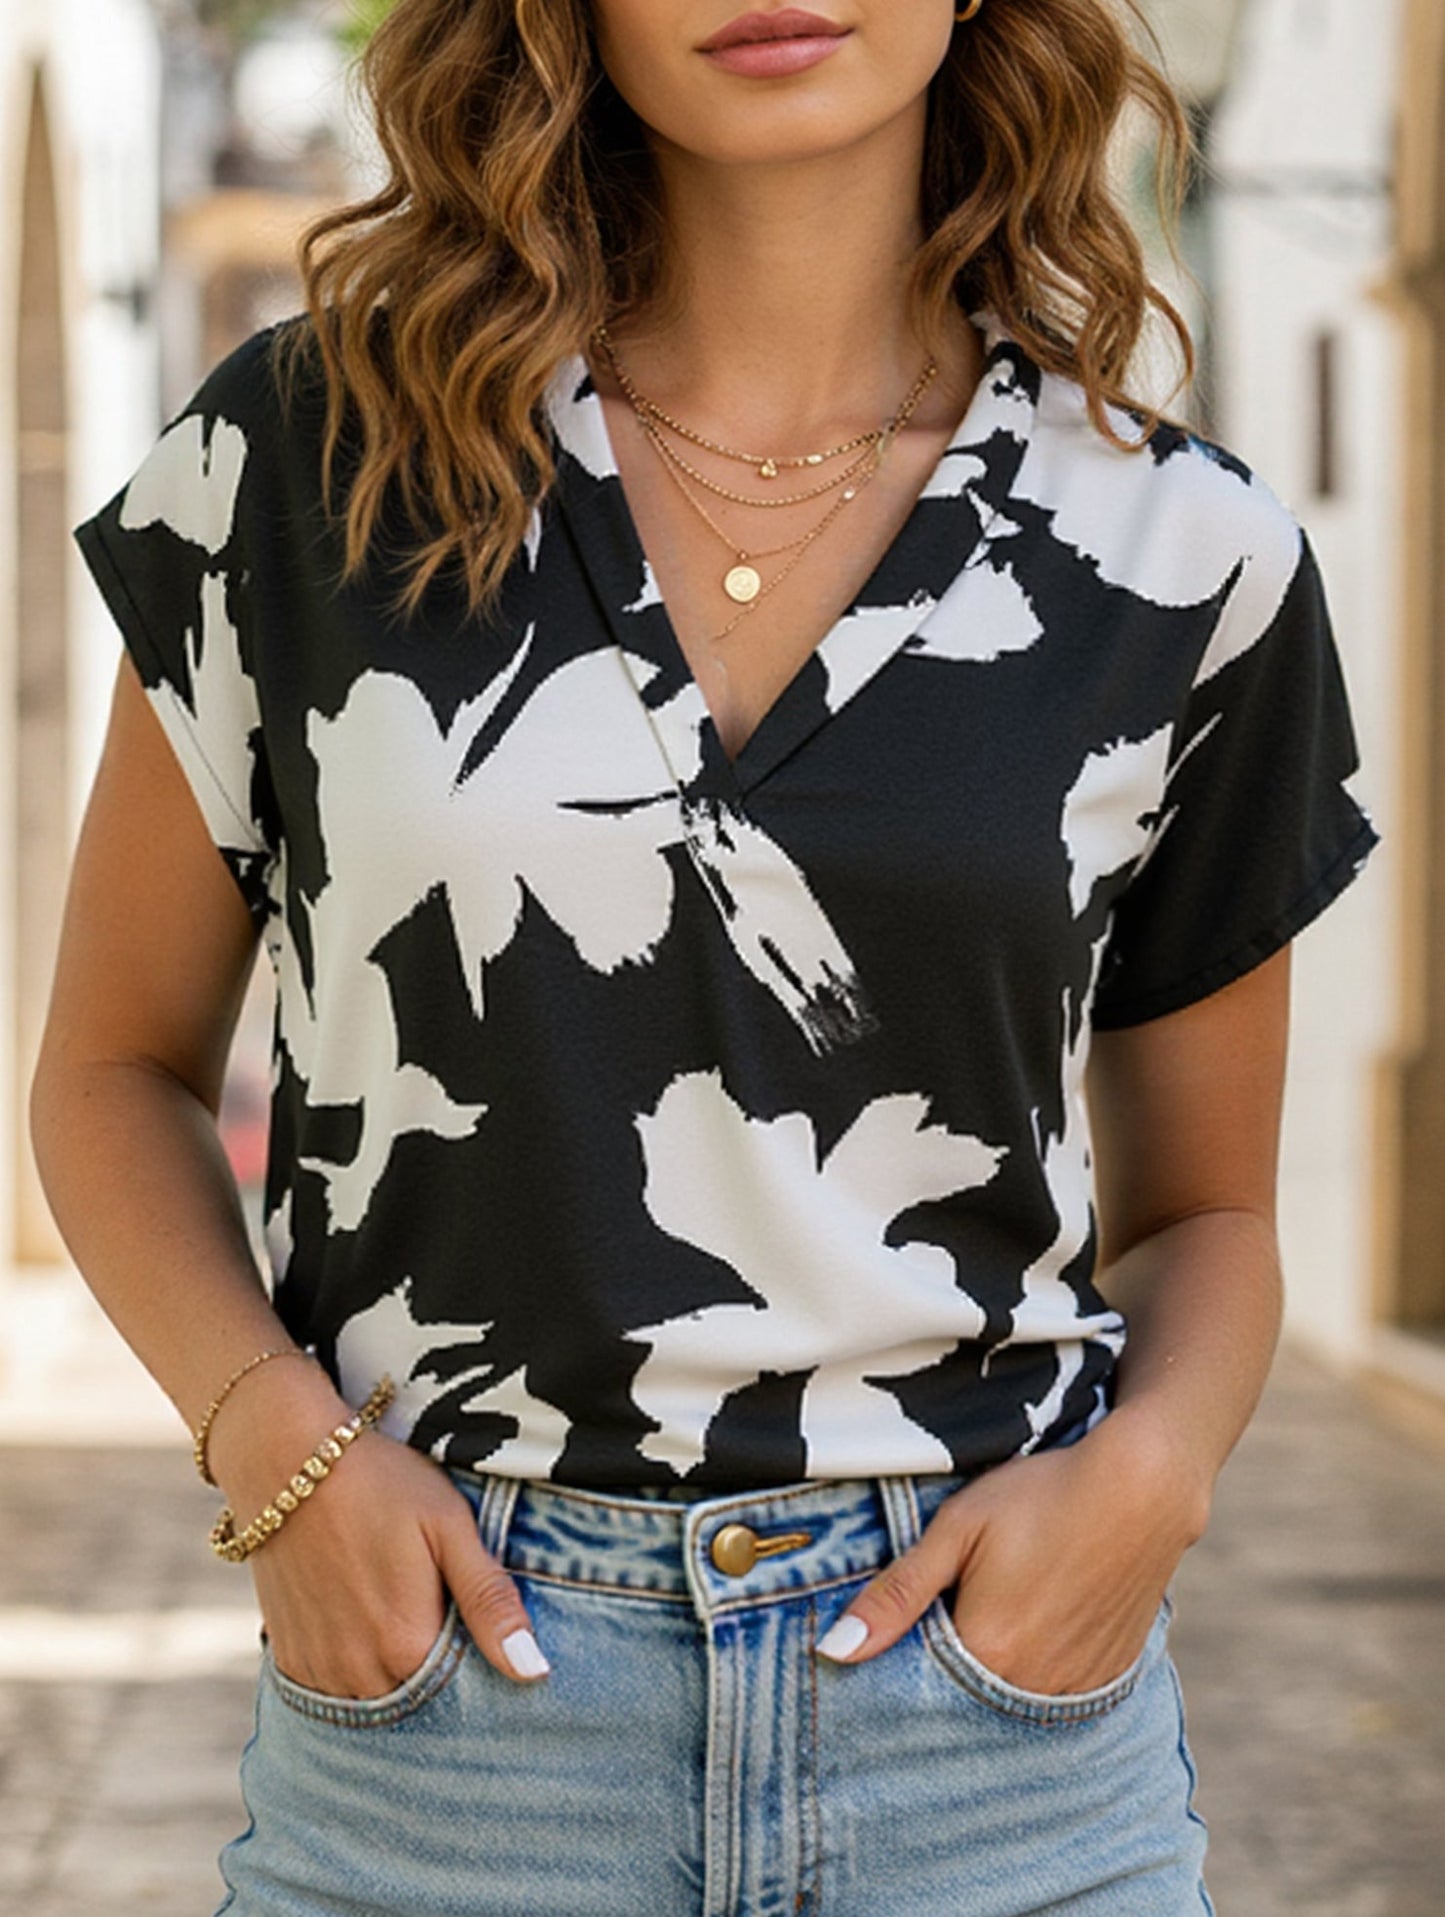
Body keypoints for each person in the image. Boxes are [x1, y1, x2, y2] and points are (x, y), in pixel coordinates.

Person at [33, 0, 1378, 1911]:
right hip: (458, 1735)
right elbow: (109, 1072)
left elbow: (1207, 1218)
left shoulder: (1180, 553)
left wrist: (1149, 1479)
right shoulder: (303, 458)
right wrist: (280, 1446)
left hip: (989, 1755)